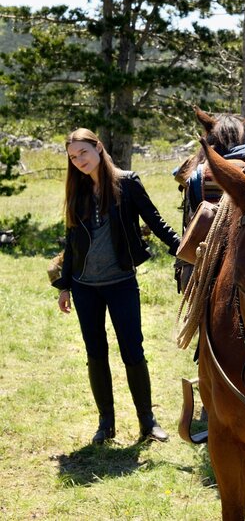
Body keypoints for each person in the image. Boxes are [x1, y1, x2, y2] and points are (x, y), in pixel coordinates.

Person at [53, 128, 181, 445]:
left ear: (98, 147)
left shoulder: (127, 183)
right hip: (85, 287)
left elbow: (155, 221)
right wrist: (64, 285)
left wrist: (183, 248)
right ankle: (105, 424)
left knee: (132, 351)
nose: (79, 160)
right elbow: (71, 241)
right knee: (95, 353)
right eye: (73, 157)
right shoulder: (77, 190)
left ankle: (147, 422)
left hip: (121, 282)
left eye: (83, 152)